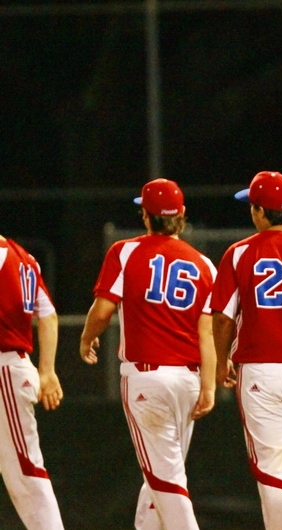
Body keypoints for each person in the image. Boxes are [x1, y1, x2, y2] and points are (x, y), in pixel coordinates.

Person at [80, 178, 217, 529]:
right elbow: (209, 332)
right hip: (187, 380)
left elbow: (102, 310)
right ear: (181, 215)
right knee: (160, 474)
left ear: (146, 216)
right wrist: (209, 385)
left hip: (147, 380)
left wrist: (87, 337)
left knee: (165, 478)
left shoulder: (126, 251)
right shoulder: (203, 264)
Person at [210, 171, 282, 530]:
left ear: (259, 212)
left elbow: (224, 319)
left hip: (261, 370)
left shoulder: (240, 253)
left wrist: (220, 360)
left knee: (274, 471)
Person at [0, 235, 65, 529]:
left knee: (25, 472)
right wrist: (47, 371)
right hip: (13, 367)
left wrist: (47, 371)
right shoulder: (25, 257)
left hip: (6, 367)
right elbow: (48, 316)